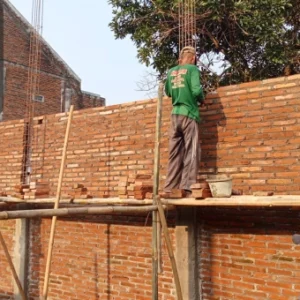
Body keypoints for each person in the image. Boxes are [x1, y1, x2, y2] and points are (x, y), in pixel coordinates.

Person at [163, 46, 205, 198]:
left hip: (175, 116)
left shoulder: (171, 71)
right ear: (193, 58)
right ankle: (187, 187)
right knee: (192, 151)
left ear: (180, 58)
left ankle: (169, 188)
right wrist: (202, 99)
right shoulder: (192, 69)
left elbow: (167, 92)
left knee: (174, 154)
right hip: (189, 113)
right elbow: (196, 91)